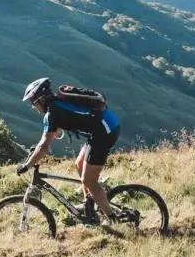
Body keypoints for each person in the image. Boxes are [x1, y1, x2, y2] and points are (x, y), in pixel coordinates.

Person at [16, 77, 121, 223]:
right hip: (102, 128)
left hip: (105, 131)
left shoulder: (52, 113)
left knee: (88, 180)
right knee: (79, 164)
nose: (33, 106)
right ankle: (89, 205)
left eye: (33, 102)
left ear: (41, 99)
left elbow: (44, 145)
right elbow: (49, 136)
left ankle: (112, 218)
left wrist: (27, 165)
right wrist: (36, 151)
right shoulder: (56, 106)